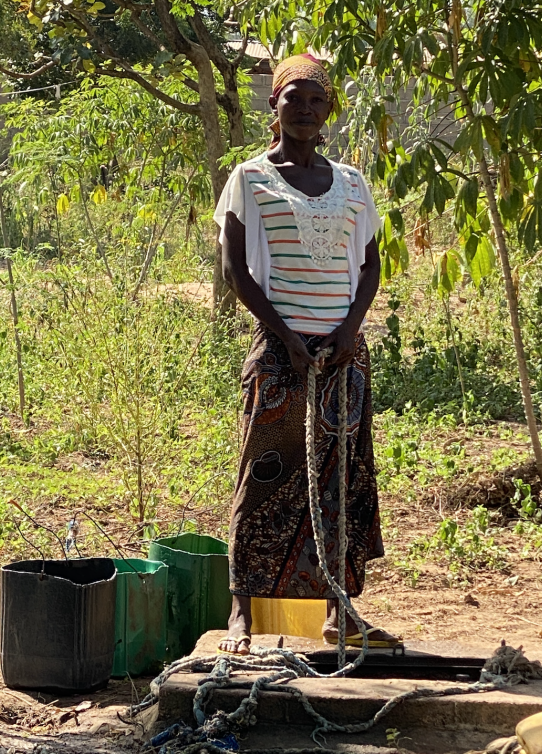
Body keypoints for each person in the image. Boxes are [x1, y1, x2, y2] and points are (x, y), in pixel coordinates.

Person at [214, 54, 399, 655]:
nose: (304, 108)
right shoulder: (249, 179)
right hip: (280, 353)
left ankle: (338, 613)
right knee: (262, 477)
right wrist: (287, 338)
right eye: (293, 96)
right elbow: (235, 271)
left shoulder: (350, 183)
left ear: (329, 112)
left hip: (343, 357)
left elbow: (371, 266)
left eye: (316, 100)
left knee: (341, 482)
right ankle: (243, 610)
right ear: (274, 105)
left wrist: (349, 330)